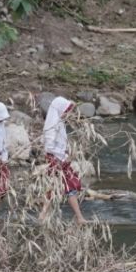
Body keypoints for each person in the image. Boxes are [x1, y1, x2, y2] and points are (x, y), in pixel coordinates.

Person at [39, 95, 86, 223]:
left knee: (54, 186)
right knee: (68, 186)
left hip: (60, 159)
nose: (68, 114)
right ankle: (79, 217)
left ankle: (43, 215)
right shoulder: (52, 125)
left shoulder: (58, 122)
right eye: (66, 111)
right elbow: (49, 146)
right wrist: (62, 157)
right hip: (57, 160)